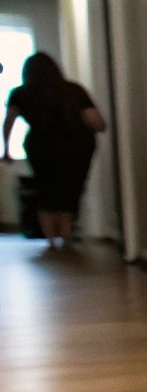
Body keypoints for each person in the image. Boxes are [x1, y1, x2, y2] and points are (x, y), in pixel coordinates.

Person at [2, 52, 106, 250]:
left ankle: (50, 240)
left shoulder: (20, 93)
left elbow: (9, 122)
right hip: (77, 145)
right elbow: (96, 121)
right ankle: (66, 237)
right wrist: (98, 127)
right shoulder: (74, 90)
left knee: (46, 190)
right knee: (70, 189)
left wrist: (6, 148)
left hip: (41, 146)